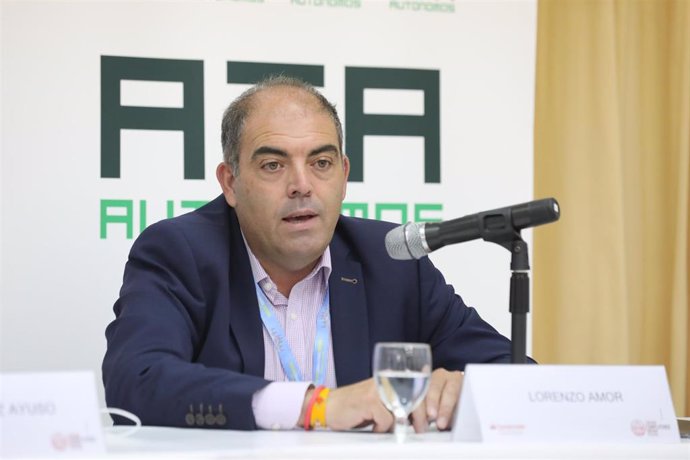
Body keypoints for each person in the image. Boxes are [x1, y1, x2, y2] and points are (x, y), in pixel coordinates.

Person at [102, 75, 515, 433]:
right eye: (273, 166)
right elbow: (135, 381)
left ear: (344, 175)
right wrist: (315, 405)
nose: (302, 185)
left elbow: (517, 376)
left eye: (321, 162)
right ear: (230, 183)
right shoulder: (180, 253)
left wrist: (465, 388)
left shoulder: (392, 259)